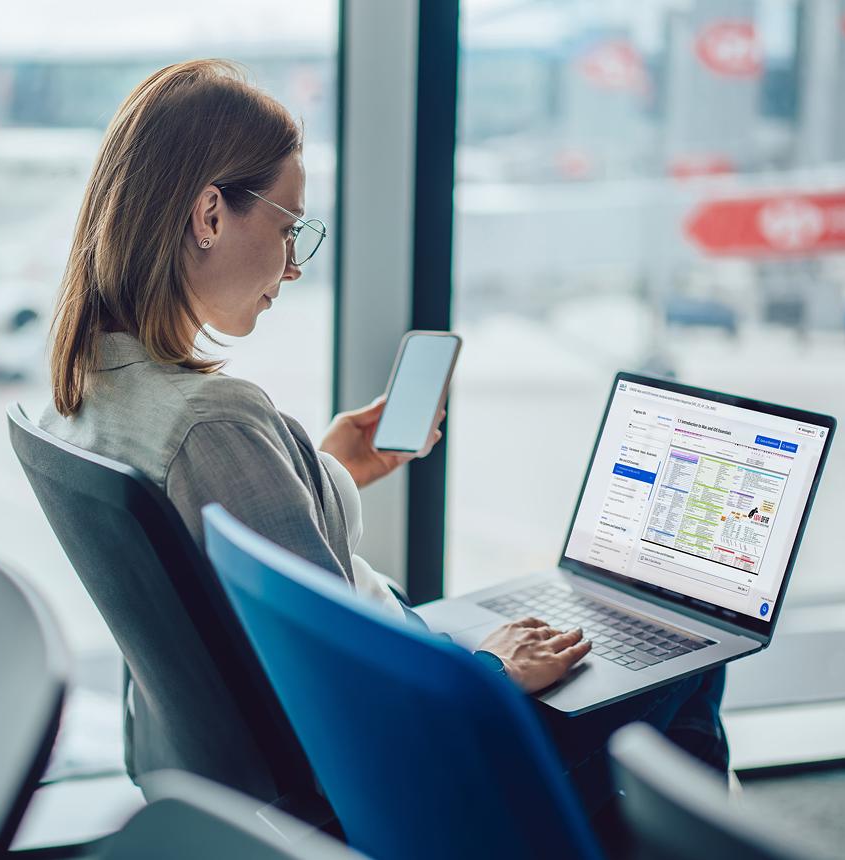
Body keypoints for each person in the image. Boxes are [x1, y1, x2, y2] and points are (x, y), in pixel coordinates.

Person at [40, 59, 727, 839]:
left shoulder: (95, 388)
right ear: (208, 215)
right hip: (385, 776)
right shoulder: (213, 426)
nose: (295, 265)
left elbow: (260, 582)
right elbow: (332, 685)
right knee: (686, 666)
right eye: (288, 226)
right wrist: (488, 674)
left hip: (214, 763)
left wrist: (326, 469)